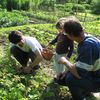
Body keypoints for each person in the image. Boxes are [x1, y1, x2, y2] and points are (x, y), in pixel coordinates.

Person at [56, 16, 100, 100]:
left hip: (97, 81)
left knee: (70, 78)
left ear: (71, 35)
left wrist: (65, 61)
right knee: (63, 77)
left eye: (65, 34)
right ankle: (86, 91)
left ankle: (80, 97)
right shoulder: (89, 39)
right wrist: (65, 72)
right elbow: (80, 63)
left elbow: (79, 75)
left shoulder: (86, 46)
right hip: (94, 74)